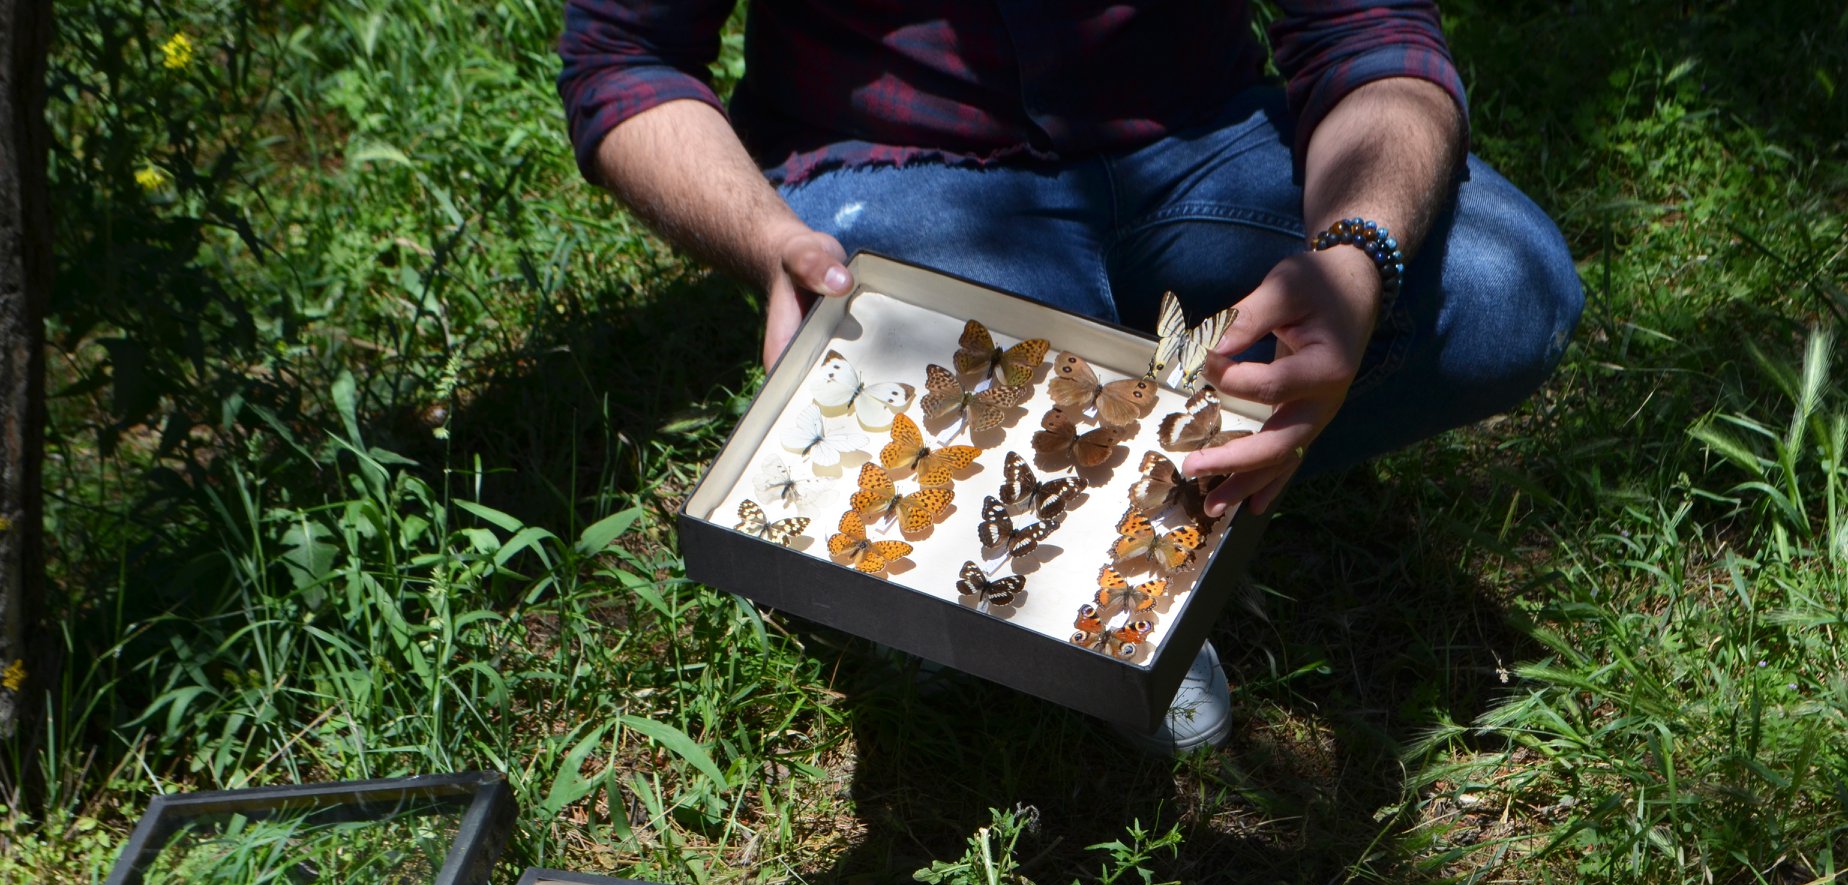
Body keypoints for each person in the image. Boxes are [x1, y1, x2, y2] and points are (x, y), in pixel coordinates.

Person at [557, 2, 1584, 755]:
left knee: (1499, 289)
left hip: (1199, 137)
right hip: (902, 169)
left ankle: (1120, 508)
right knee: (958, 394)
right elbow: (626, 61)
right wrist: (766, 240)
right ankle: (1094, 541)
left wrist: (1355, 257)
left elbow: (1369, 31)